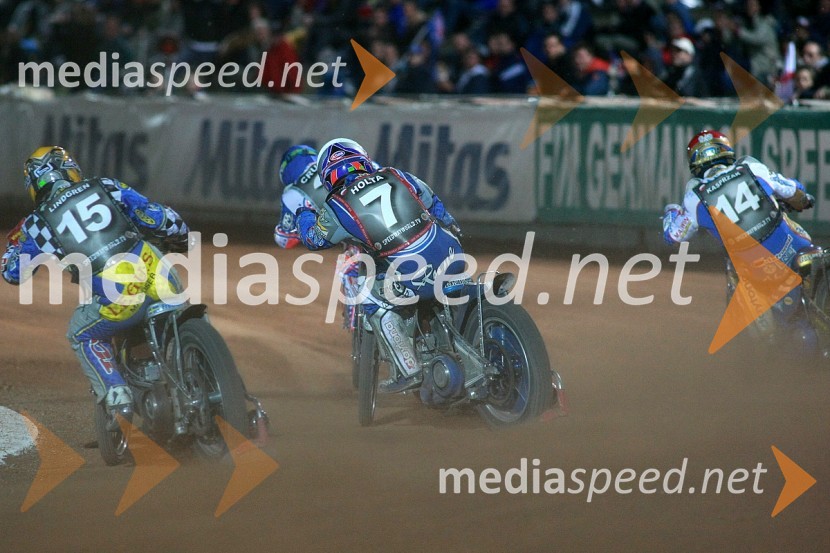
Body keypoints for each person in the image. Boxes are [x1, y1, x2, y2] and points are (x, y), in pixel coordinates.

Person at [1, 146, 189, 419]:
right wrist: (180, 237)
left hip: (121, 298)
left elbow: (13, 273)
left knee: (80, 333)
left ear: (34, 185)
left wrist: (14, 243)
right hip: (160, 276)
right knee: (182, 314)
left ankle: (116, 394)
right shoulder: (106, 185)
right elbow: (160, 218)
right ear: (70, 169)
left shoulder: (37, 223)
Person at [295, 138, 464, 393]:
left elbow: (313, 240)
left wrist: (303, 214)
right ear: (362, 160)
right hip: (452, 252)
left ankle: (409, 369)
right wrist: (450, 223)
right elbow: (433, 202)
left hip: (412, 272)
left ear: (327, 176)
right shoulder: (395, 174)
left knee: (369, 295)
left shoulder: (337, 205)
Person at [662, 130, 819, 353]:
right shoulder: (750, 167)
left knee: (780, 332)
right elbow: (793, 190)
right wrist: (803, 200)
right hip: (795, 246)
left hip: (760, 271)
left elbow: (673, 235)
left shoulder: (695, 197)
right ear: (726, 151)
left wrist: (671, 211)